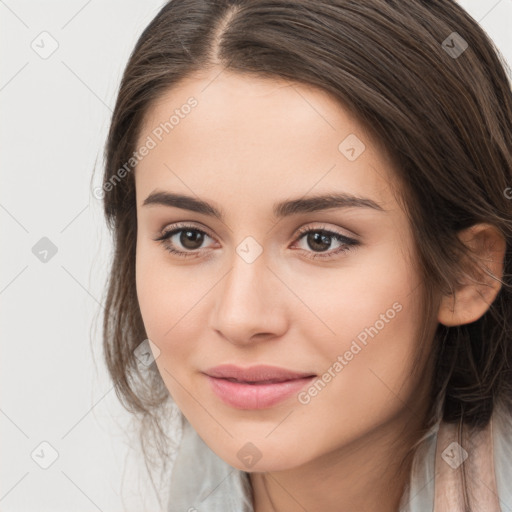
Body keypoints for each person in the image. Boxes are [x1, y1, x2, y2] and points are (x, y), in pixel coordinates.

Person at [98, 1, 512, 510]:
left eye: (321, 240)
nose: (240, 317)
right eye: (189, 237)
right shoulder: (198, 484)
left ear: (466, 272)